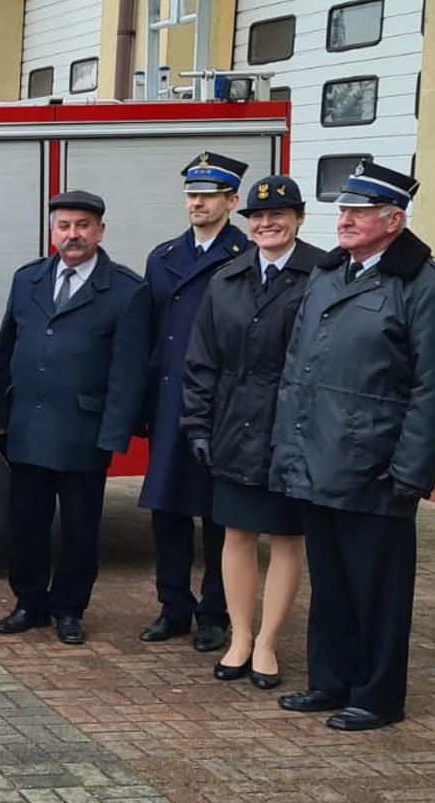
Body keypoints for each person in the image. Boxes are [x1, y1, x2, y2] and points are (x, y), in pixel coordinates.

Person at [267, 162, 435, 730]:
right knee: (331, 582)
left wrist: (412, 470)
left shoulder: (429, 285)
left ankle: (379, 696)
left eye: (359, 211)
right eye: (343, 210)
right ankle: (331, 682)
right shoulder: (332, 273)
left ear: (394, 219)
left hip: (377, 467)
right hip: (318, 458)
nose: (346, 220)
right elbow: (298, 369)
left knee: (377, 590)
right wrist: (289, 449)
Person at [181, 175, 325, 689]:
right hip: (233, 426)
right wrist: (196, 423)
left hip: (292, 430)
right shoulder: (228, 278)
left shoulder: (324, 275)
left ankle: (267, 644)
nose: (268, 224)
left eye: (279, 215)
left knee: (286, 538)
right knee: (236, 535)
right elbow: (201, 361)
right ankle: (240, 637)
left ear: (299, 218)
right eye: (259, 217)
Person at [0, 191, 149, 645]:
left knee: (80, 531)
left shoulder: (125, 290)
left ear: (99, 231)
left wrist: (115, 433)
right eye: (64, 225)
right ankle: (29, 602)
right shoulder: (28, 280)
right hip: (28, 426)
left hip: (84, 431)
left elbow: (128, 370)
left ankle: (69, 609)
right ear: (53, 232)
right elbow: (7, 349)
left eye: (82, 225)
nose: (72, 234)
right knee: (27, 525)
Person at [138, 151, 251, 652]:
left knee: (219, 514)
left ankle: (214, 614)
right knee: (168, 510)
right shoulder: (162, 257)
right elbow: (150, 335)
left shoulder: (246, 257)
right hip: (169, 400)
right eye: (192, 194)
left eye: (208, 195)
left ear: (232, 200)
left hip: (223, 405)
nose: (197, 203)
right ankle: (173, 606)